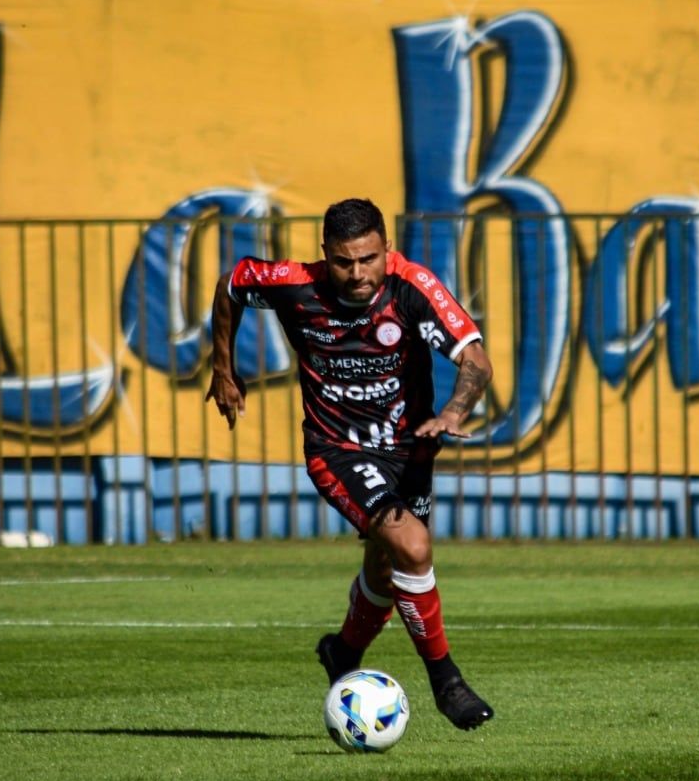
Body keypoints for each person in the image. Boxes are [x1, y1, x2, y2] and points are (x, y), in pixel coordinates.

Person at [207, 197, 495, 731]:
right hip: (336, 448)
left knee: (387, 569)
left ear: (386, 249)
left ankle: (342, 652)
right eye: (344, 262)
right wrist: (222, 367)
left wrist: (454, 410)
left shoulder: (412, 287)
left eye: (368, 259)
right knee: (412, 545)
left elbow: (475, 359)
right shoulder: (294, 284)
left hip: (409, 451)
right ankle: (446, 682)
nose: (358, 274)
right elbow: (231, 284)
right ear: (326, 255)